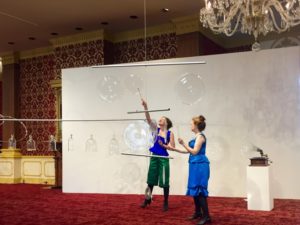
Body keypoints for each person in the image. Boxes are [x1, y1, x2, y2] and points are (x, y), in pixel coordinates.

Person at [159, 115, 211, 224]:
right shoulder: (196, 137)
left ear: (196, 125)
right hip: (195, 164)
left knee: (200, 190)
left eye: (192, 123)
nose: (190, 125)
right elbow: (187, 151)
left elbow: (194, 151)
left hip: (200, 165)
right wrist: (171, 148)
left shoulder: (200, 137)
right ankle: (198, 212)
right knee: (195, 189)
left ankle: (207, 216)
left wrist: (183, 143)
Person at [140, 99, 175, 211]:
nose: (160, 119)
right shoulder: (156, 129)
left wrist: (164, 146)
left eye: (162, 119)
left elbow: (173, 147)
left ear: (167, 123)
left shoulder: (170, 133)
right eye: (159, 119)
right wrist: (146, 107)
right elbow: (149, 119)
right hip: (154, 156)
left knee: (164, 181)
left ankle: (165, 202)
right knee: (150, 180)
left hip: (164, 159)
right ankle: (147, 199)